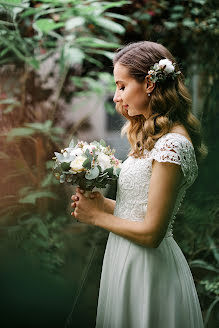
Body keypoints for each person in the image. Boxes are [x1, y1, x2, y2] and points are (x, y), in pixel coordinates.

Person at [71, 41, 207, 328]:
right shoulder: (154, 137)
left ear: (148, 83)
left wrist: (96, 217)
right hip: (125, 258)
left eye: (122, 86)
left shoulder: (172, 144)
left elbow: (151, 233)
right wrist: (102, 204)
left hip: (148, 268)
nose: (116, 97)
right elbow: (136, 208)